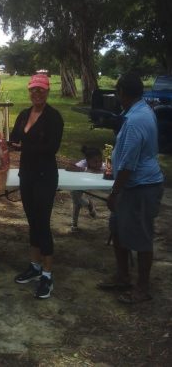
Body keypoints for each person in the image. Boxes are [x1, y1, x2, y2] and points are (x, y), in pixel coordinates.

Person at [97, 72, 164, 304]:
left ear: (122, 93)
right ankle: (123, 276)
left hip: (140, 187)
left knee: (141, 236)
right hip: (133, 185)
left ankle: (142, 288)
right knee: (117, 228)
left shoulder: (137, 120)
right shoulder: (139, 111)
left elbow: (128, 164)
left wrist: (115, 192)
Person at [10, 73, 64, 299]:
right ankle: (34, 266)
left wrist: (22, 148)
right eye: (33, 89)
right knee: (32, 221)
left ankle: (47, 275)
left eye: (41, 89)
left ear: (48, 91)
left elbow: (51, 148)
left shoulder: (54, 117)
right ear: (29, 91)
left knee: (42, 223)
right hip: (27, 175)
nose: (36, 93)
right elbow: (14, 137)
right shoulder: (24, 114)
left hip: (45, 176)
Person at [66, 145, 105, 232]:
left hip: (93, 185)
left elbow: (108, 171)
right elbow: (69, 168)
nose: (98, 164)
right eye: (95, 162)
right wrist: (85, 169)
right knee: (76, 200)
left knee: (77, 201)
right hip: (79, 185)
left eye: (100, 161)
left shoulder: (102, 165)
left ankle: (74, 223)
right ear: (87, 161)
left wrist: (98, 171)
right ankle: (87, 206)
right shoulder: (83, 163)